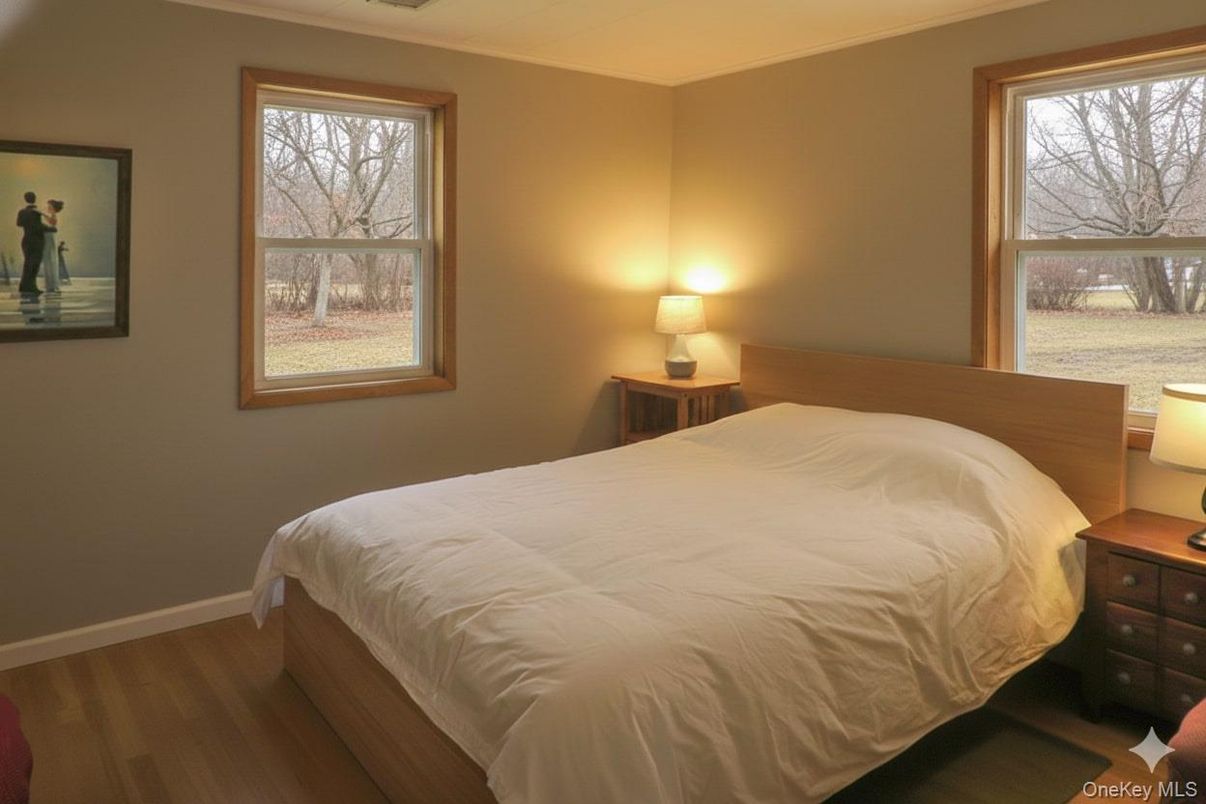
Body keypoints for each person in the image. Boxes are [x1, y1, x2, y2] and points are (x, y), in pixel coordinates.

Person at [15, 192, 44, 300]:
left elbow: (19, 223)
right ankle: (32, 287)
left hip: (26, 239)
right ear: (34, 198)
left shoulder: (22, 212)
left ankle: (24, 286)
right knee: (34, 264)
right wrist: (51, 229)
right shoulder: (36, 212)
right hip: (36, 241)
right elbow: (39, 227)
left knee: (28, 263)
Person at [39, 200, 63, 294]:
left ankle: (51, 285)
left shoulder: (52, 216)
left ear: (53, 208)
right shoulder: (50, 216)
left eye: (49, 207)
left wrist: (43, 215)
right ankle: (51, 284)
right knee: (50, 260)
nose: (48, 208)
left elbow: (52, 224)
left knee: (50, 259)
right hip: (49, 238)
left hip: (49, 238)